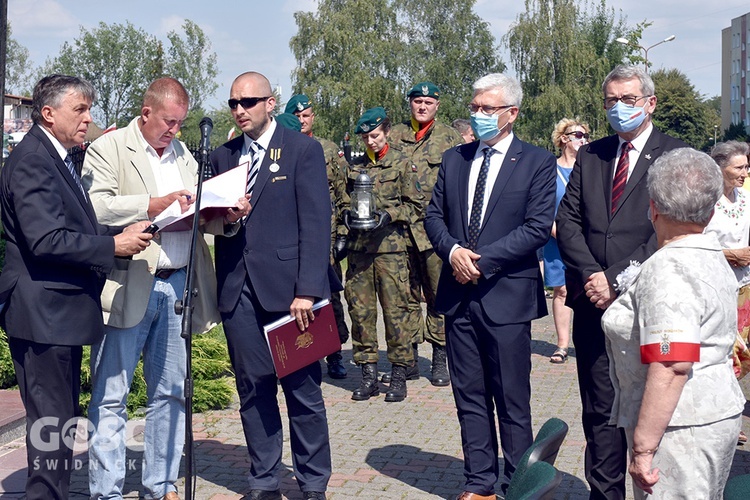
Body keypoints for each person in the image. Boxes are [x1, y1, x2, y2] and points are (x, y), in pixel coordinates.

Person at [82, 77, 249, 500]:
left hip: (178, 288)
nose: (174, 130)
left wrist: (225, 214)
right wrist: (150, 205)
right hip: (129, 285)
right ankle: (107, 493)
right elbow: (95, 207)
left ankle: (160, 486)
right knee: (111, 399)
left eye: (180, 123)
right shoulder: (110, 148)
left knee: (171, 395)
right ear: (147, 113)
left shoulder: (182, 155)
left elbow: (198, 212)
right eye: (168, 122)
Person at [0, 74, 152, 499]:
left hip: (58, 314)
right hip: (42, 315)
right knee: (51, 430)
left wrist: (122, 234)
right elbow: (45, 239)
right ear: (48, 114)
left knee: (60, 424)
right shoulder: (33, 160)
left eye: (89, 109)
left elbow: (73, 226)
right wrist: (112, 245)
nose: (88, 119)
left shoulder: (59, 156)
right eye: (79, 109)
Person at [556, 64, 687, 500]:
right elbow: (568, 220)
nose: (617, 108)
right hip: (593, 303)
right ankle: (604, 492)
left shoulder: (674, 154)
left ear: (649, 103)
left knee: (648, 406)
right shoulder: (592, 154)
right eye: (610, 100)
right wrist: (593, 276)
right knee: (598, 408)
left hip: (647, 303)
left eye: (627, 100)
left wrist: (615, 278)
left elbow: (668, 230)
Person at [424, 72, 556, 498]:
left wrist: (482, 262)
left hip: (506, 296)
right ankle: (479, 482)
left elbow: (537, 228)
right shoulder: (454, 159)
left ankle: (517, 484)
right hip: (459, 296)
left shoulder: (536, 161)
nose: (478, 115)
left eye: (487, 109)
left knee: (512, 399)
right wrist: (453, 252)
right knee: (470, 396)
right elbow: (433, 218)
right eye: (474, 108)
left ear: (511, 114)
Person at [209, 71, 333, 500]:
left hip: (290, 294)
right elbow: (212, 222)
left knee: (302, 389)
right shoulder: (222, 156)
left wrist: (308, 289)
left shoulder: (302, 149)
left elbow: (317, 225)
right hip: (238, 290)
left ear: (270, 102)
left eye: (248, 101)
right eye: (233, 103)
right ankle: (263, 481)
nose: (240, 110)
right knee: (253, 387)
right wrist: (226, 220)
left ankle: (313, 482)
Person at [602, 148, 745, 499]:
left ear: (653, 208)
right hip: (706, 415)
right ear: (711, 212)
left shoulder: (670, 268)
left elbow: (670, 363)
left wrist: (643, 448)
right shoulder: (710, 253)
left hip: (680, 427)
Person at [336, 107, 420, 402]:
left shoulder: (400, 163)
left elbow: (415, 206)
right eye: (365, 137)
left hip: (390, 250)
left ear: (386, 132)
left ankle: (399, 375)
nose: (370, 142)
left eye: (375, 136)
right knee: (360, 314)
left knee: (396, 314)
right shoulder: (355, 166)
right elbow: (343, 202)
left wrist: (389, 214)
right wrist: (345, 219)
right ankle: (368, 376)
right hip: (360, 252)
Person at [389, 82, 463, 387]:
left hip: (434, 231)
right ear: (410, 104)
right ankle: (407, 359)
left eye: (428, 102)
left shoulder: (450, 138)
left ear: (437, 105)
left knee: (437, 295)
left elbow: (460, 182)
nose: (422, 107)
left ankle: (440, 357)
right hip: (398, 231)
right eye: (417, 101)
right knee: (404, 297)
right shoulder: (393, 135)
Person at [286, 93, 350, 380]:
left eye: (306, 115)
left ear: (313, 117)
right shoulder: (282, 148)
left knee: (329, 299)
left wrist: (343, 235)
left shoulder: (327, 149)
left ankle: (334, 354)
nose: (302, 120)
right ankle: (297, 354)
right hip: (291, 241)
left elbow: (343, 194)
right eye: (297, 116)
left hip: (325, 239)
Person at [545, 118, 589, 363]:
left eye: (585, 136)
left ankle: (585, 341)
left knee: (587, 288)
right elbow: (543, 205)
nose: (583, 139)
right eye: (579, 135)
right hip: (557, 239)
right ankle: (562, 344)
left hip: (586, 240)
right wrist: (558, 232)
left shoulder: (590, 167)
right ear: (564, 139)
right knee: (561, 290)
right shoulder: (550, 169)